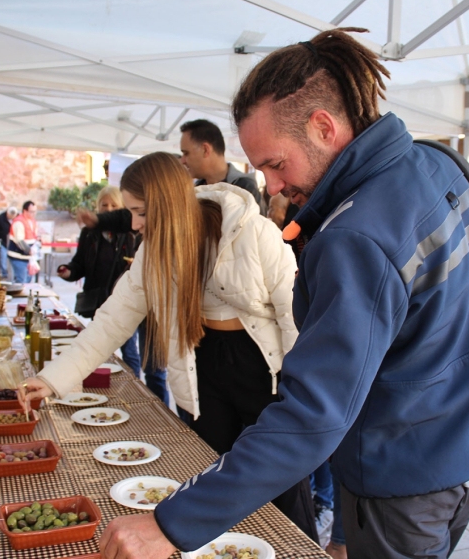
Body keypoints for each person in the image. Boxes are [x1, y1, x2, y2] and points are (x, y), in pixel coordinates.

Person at [92, 27, 469, 559]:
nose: (273, 187)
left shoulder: (354, 236)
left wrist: (171, 524)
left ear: (323, 126)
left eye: (275, 164)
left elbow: (313, 415)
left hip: (403, 472)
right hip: (467, 448)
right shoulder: (437, 162)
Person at [22, 153, 318, 540]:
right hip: (200, 367)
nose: (134, 224)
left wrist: (300, 393)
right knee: (208, 474)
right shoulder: (152, 251)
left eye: (141, 211)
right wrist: (52, 380)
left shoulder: (252, 231)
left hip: (264, 367)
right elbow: (112, 321)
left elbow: (293, 316)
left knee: (283, 484)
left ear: (167, 203)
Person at [57, 186, 141, 375]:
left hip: (125, 302)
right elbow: (79, 263)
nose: (109, 209)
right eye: (104, 205)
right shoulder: (89, 233)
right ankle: (104, 386)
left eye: (114, 205)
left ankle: (135, 390)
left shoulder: (131, 232)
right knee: (100, 351)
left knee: (129, 351)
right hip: (99, 301)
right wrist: (68, 272)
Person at [179, 119, 267, 215]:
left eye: (186, 153)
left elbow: (257, 228)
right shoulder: (196, 190)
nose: (182, 160)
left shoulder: (244, 188)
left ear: (205, 150)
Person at [7, 200, 39, 283]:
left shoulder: (32, 221)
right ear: (25, 211)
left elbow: (33, 236)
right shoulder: (19, 222)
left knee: (27, 282)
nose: (34, 214)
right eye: (32, 212)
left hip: (28, 258)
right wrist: (29, 250)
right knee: (21, 282)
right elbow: (19, 241)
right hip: (18, 257)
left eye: (35, 211)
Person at [0, 206, 18, 279]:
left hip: (15, 243)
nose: (11, 218)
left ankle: (15, 275)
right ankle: (4, 273)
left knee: (15, 259)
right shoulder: (1, 218)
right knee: (3, 258)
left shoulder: (18, 218)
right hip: (3, 242)